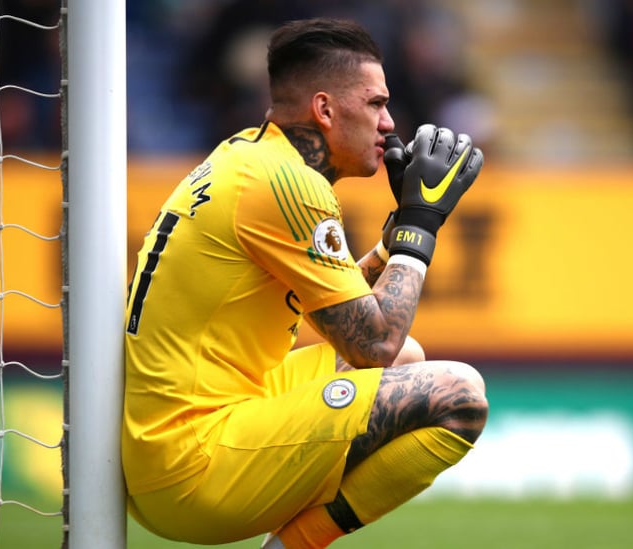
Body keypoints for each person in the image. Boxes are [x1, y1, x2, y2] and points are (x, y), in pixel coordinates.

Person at [121, 17, 488, 549]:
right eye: (376, 104)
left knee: (411, 356)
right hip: (193, 467)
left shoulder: (249, 157)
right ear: (324, 109)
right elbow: (372, 346)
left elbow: (346, 317)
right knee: (460, 395)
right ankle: (298, 543)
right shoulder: (287, 184)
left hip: (172, 439)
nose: (389, 122)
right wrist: (420, 226)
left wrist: (394, 238)